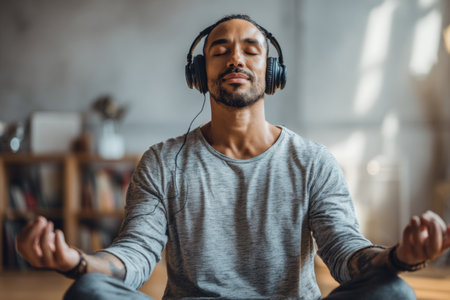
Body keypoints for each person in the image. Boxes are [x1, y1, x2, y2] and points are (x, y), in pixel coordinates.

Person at [17, 14, 450, 300]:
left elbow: (344, 254)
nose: (235, 58)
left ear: (271, 72)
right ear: (199, 75)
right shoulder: (162, 162)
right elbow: (135, 255)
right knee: (89, 292)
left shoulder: (313, 161)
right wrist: (75, 261)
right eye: (219, 50)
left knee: (394, 292)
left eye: (251, 49)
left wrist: (398, 258)